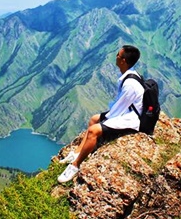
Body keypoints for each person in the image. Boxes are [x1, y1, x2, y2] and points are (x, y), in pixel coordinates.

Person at [57, 44, 144, 183]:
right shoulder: (129, 76)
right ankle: (77, 153)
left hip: (132, 119)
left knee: (93, 130)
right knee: (93, 119)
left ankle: (75, 166)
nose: (115, 56)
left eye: (118, 55)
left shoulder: (130, 85)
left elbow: (117, 111)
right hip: (125, 112)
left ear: (123, 61)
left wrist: (103, 123)